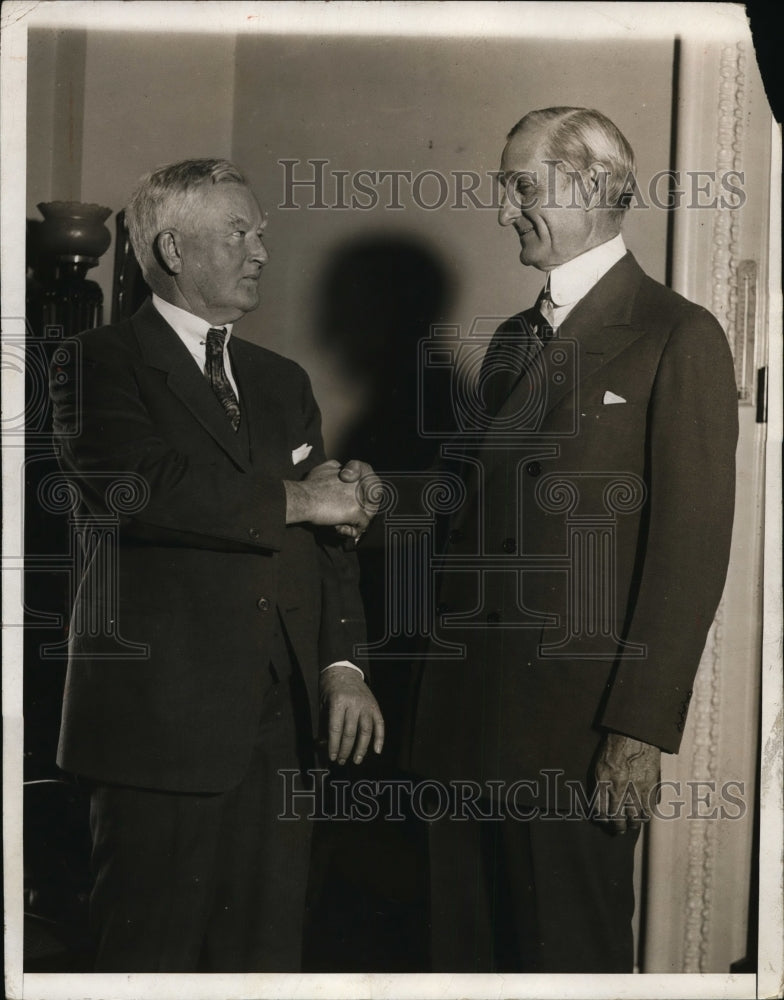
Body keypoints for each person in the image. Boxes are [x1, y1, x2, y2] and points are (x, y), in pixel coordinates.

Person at [406, 108, 738, 973]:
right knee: (462, 964)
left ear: (590, 186)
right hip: (465, 726)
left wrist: (637, 733)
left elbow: (689, 552)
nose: (505, 207)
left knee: (570, 966)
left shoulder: (680, 336)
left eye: (522, 185)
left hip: (576, 741)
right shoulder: (513, 342)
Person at [49, 158, 384, 972]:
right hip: (156, 735)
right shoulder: (94, 361)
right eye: (241, 231)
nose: (262, 250)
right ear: (172, 246)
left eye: (261, 232)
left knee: (264, 961)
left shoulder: (280, 381)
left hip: (280, 729)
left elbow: (327, 544)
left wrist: (343, 666)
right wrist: (307, 500)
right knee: (148, 963)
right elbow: (147, 491)